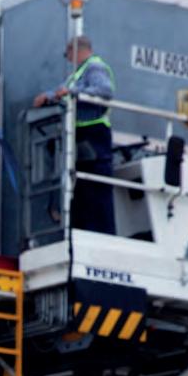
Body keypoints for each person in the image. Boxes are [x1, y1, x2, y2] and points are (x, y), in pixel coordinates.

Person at [34, 35, 117, 235]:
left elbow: (104, 90)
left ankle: (98, 231)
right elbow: (63, 92)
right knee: (82, 189)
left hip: (94, 135)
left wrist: (71, 92)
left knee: (95, 190)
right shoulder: (79, 72)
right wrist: (48, 96)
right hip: (82, 136)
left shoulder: (94, 67)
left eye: (67, 53)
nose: (68, 58)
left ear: (76, 49)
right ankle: (82, 228)